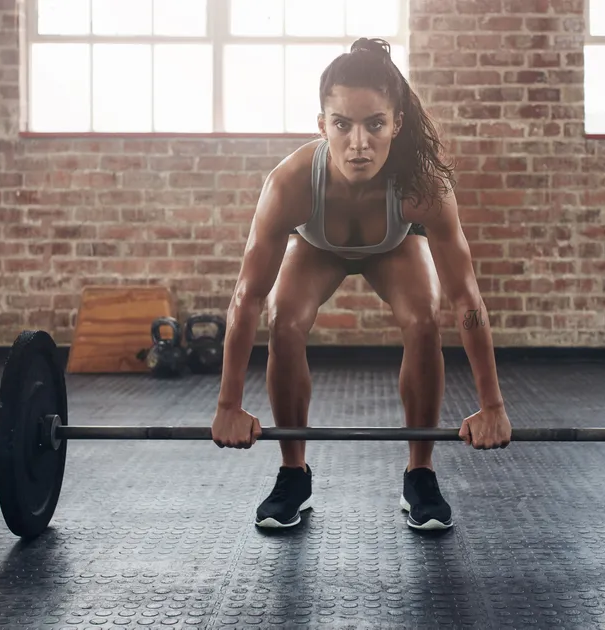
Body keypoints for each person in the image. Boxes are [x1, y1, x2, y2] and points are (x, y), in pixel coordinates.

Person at [210, 37, 511, 531]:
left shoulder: (423, 188)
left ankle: (420, 474)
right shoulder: (288, 184)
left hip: (394, 246)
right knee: (283, 321)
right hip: (317, 248)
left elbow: (466, 299)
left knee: (422, 321)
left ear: (396, 123)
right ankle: (293, 473)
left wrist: (493, 406)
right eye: (342, 125)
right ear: (322, 125)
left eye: (375, 125)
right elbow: (247, 297)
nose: (359, 143)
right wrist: (227, 406)